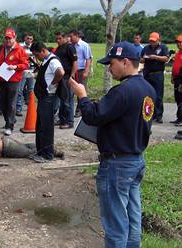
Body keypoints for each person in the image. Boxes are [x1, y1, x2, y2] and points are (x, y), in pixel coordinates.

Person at [70, 41, 156, 248]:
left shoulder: (122, 91)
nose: (109, 67)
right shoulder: (148, 89)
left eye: (112, 63)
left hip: (117, 164)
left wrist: (82, 96)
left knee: (116, 224)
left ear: (125, 62)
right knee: (133, 218)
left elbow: (93, 116)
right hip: (135, 160)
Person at [30, 42, 64, 162]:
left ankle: (47, 155)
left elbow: (60, 73)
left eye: (37, 54)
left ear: (43, 51)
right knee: (40, 125)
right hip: (43, 98)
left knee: (46, 127)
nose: (36, 57)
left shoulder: (53, 61)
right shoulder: (46, 60)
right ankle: (41, 151)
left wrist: (52, 85)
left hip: (48, 98)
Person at [0, 28, 28, 136]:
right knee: (1, 101)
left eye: (10, 38)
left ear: (14, 38)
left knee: (11, 103)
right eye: (6, 38)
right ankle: (10, 119)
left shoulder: (20, 50)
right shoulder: (2, 47)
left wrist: (15, 66)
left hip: (13, 79)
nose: (8, 40)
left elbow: (25, 64)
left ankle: (9, 125)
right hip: (2, 78)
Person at [141, 32, 170, 123]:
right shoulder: (146, 48)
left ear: (158, 40)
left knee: (158, 95)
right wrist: (144, 58)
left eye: (154, 41)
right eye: (150, 41)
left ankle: (159, 115)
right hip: (147, 74)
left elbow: (166, 59)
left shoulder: (163, 47)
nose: (152, 43)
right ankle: (149, 114)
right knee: (148, 95)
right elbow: (141, 59)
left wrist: (155, 57)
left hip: (158, 74)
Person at [0, 134, 64, 160]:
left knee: (29, 152)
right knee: (28, 147)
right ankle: (52, 149)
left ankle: (55, 152)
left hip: (6, 147)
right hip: (6, 142)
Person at [55, 32, 78, 129]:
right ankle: (62, 119)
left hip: (67, 76)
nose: (58, 40)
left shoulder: (69, 47)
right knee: (62, 99)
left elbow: (75, 62)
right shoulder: (59, 48)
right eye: (57, 39)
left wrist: (72, 76)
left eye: (60, 38)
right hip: (60, 76)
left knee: (67, 99)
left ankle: (69, 121)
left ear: (65, 38)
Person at [69, 30, 92, 117]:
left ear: (76, 36)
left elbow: (88, 59)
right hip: (73, 70)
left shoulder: (84, 45)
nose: (70, 38)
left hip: (81, 70)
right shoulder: (71, 46)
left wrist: (86, 70)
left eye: (71, 36)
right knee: (72, 89)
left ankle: (80, 109)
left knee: (81, 89)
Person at [16, 33, 35, 116]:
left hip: (31, 70)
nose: (29, 40)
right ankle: (18, 108)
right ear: (25, 38)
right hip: (22, 70)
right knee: (20, 89)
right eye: (28, 38)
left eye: (31, 39)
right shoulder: (20, 46)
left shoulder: (33, 47)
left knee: (31, 90)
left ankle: (31, 108)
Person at [171, 34, 182, 126]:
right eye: (177, 42)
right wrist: (172, 76)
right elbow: (174, 66)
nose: (179, 44)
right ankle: (179, 117)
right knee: (177, 98)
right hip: (176, 78)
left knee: (181, 99)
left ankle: (181, 120)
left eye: (180, 42)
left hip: (181, 79)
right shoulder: (178, 53)